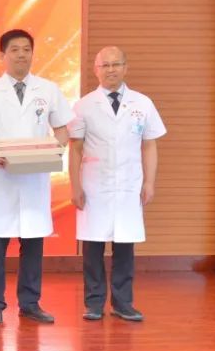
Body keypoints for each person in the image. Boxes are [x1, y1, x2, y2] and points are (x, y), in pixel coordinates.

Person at [0, 29, 73, 324]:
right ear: (3, 55)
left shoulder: (48, 90)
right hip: (0, 178)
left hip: (34, 178)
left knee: (33, 243)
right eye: (14, 49)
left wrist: (54, 150)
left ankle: (30, 303)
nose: (21, 55)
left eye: (26, 49)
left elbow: (62, 130)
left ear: (32, 54)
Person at [69, 46, 165, 322]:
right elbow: (75, 148)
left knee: (125, 245)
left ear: (125, 67)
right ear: (96, 70)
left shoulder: (142, 103)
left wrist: (149, 182)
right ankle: (94, 303)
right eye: (105, 65)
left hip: (128, 184)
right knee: (93, 245)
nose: (111, 70)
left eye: (116, 64)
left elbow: (149, 145)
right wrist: (75, 186)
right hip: (94, 183)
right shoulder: (83, 105)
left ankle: (123, 303)